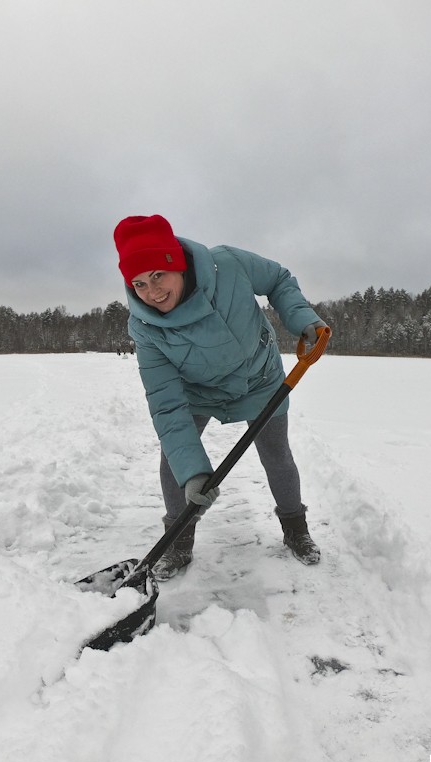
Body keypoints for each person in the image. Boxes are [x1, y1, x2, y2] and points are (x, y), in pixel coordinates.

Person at [113, 214, 328, 580]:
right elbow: (166, 402)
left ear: (176, 264)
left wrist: (301, 318)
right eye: (139, 283)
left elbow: (277, 278)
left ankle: (296, 529)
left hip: (259, 379)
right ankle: (178, 543)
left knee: (276, 454)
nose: (152, 292)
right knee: (175, 462)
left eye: (157, 276)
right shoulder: (144, 326)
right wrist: (194, 473)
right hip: (196, 390)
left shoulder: (228, 264)